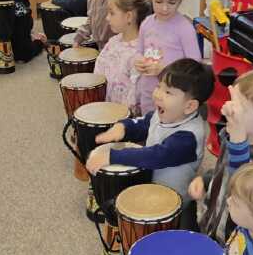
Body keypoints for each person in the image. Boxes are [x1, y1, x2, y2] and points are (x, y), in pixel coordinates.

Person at [86, 58, 215, 203]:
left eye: (168, 92)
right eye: (159, 86)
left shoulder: (188, 137)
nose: (158, 94)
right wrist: (123, 127)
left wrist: (113, 156)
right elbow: (143, 123)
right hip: (151, 185)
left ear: (189, 106)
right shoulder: (164, 114)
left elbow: (156, 155)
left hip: (172, 202)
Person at [190, 69, 253, 243]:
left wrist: (237, 139)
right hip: (214, 220)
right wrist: (207, 179)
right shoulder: (234, 137)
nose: (226, 110)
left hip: (235, 241)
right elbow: (225, 168)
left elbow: (240, 181)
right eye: (231, 102)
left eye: (240, 109)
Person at [134, 0, 201, 114]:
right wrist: (138, 61)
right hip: (148, 92)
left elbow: (194, 67)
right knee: (148, 125)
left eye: (172, 2)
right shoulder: (146, 24)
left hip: (173, 99)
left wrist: (165, 69)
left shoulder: (185, 28)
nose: (164, 8)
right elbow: (139, 51)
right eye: (158, 2)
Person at [94, 0, 149, 112]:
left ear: (129, 16)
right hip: (107, 110)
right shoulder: (113, 42)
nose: (107, 18)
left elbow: (134, 98)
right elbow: (98, 73)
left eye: (112, 13)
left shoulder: (139, 53)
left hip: (124, 117)